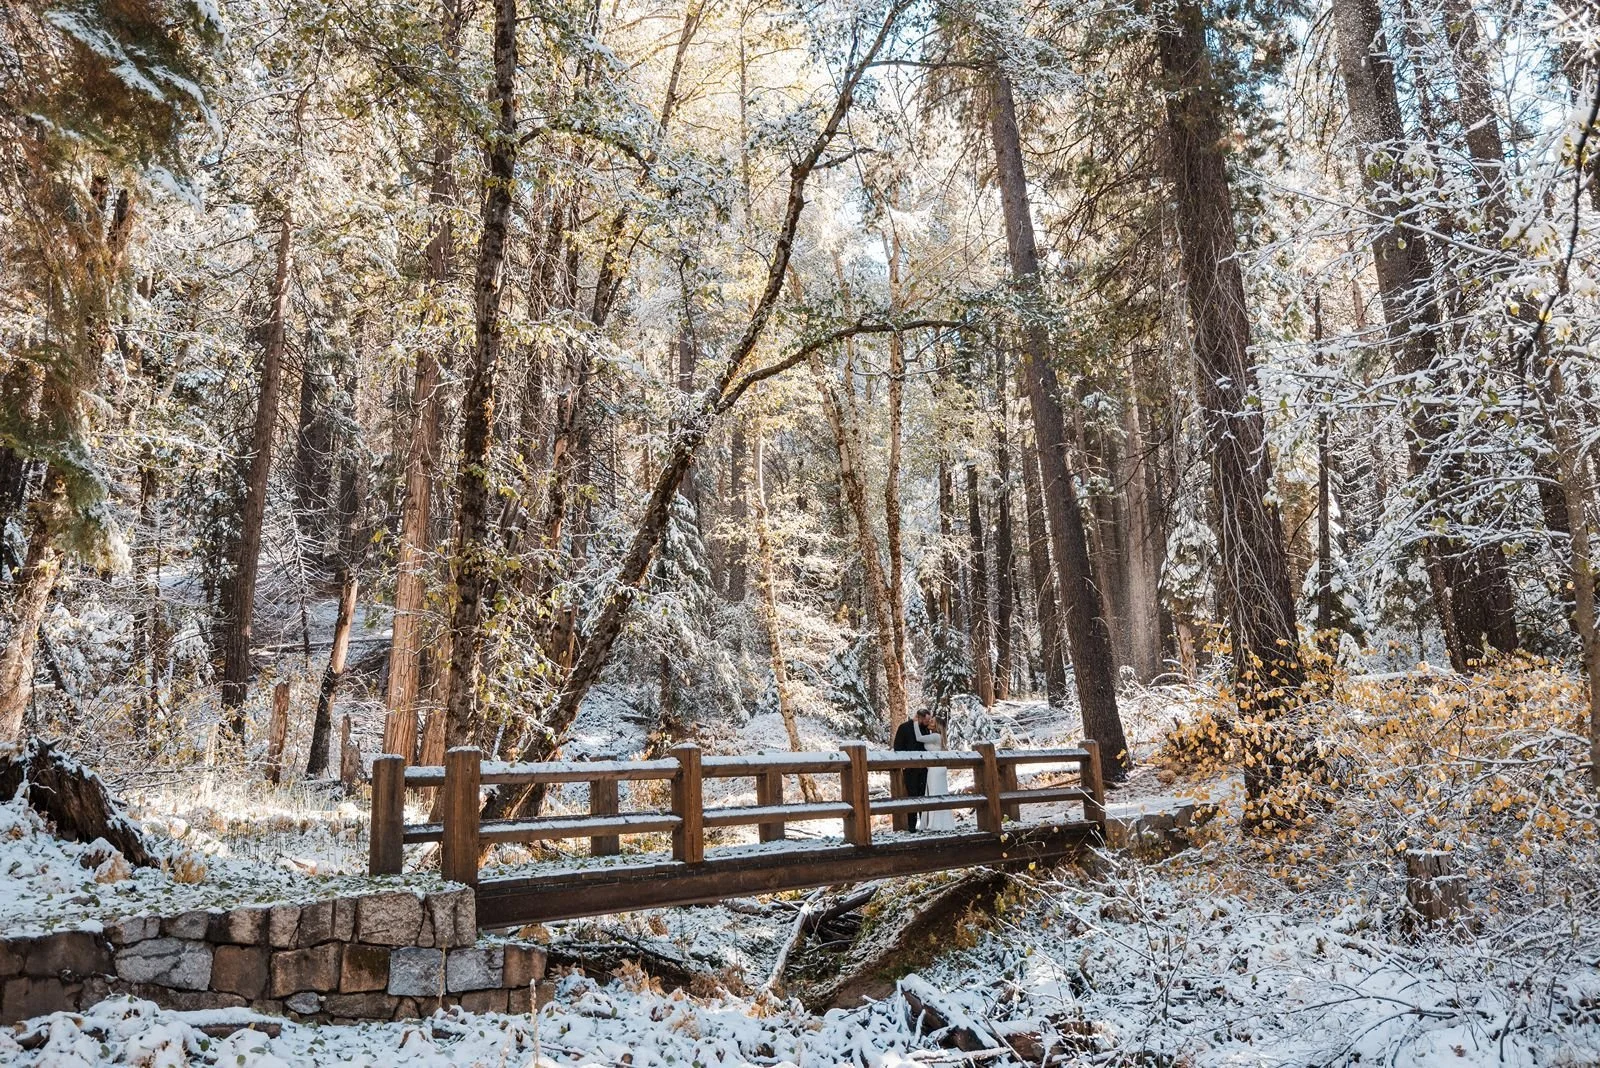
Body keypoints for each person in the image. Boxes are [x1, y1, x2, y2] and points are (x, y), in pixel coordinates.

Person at [893, 708, 934, 830]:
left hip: (924, 768)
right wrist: (904, 762)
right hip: (910, 768)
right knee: (912, 795)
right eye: (926, 720)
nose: (928, 723)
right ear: (920, 718)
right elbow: (898, 747)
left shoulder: (926, 729)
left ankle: (923, 823)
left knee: (923, 794)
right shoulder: (904, 728)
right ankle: (911, 825)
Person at [915, 714, 955, 832]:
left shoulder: (935, 736)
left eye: (932, 721)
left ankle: (935, 823)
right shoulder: (937, 737)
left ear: (937, 725)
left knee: (934, 793)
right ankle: (938, 822)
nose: (929, 722)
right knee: (936, 792)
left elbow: (919, 738)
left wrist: (915, 723)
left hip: (935, 769)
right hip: (937, 768)